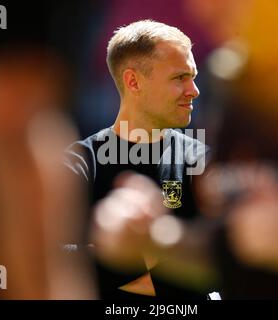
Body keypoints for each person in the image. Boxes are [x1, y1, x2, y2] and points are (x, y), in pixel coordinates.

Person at [65, 20, 213, 299]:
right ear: (133, 81)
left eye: (193, 76)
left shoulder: (202, 161)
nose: (194, 90)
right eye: (180, 78)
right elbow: (52, 257)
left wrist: (145, 244)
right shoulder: (79, 162)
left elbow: (229, 260)